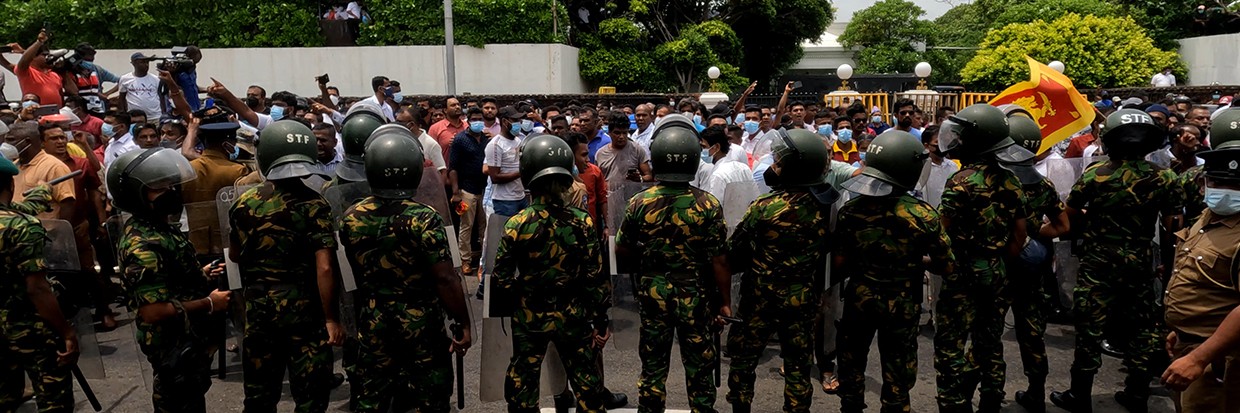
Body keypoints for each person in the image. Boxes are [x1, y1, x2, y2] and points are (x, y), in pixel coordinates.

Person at [1049, 109, 1185, 413]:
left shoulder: (1095, 176)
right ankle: (1137, 394)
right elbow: (1173, 228)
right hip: (1140, 261)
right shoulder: (1166, 178)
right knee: (1142, 329)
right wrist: (1171, 266)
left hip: (1098, 264)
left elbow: (1070, 220)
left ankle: (1079, 395)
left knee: (1090, 329)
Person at [338, 129, 471, 412]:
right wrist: (464, 323)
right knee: (430, 396)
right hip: (420, 319)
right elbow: (445, 278)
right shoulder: (425, 218)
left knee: (372, 393)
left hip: (372, 316)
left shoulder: (351, 217)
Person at [614, 114, 731, 412]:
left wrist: (643, 270)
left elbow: (623, 249)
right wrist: (725, 302)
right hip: (696, 295)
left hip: (653, 293)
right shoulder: (708, 204)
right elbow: (719, 259)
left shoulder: (639, 202)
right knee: (700, 365)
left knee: (653, 364)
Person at [834, 130, 953, 413]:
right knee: (898, 373)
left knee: (851, 364)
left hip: (859, 299)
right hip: (903, 303)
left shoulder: (850, 211)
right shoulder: (923, 215)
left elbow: (839, 264)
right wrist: (916, 261)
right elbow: (945, 265)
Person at [228, 120, 343, 411]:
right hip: (304, 310)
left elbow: (235, 256)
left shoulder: (243, 204)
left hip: (259, 309)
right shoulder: (315, 204)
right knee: (310, 395)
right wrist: (331, 318)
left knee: (259, 395)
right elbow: (325, 267)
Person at [492, 134, 611, 412]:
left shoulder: (517, 224)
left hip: (529, 314)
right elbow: (595, 278)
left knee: (523, 385)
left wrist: (521, 300)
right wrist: (601, 320)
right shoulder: (582, 222)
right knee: (586, 383)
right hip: (574, 313)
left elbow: (501, 279)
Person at [107, 147, 230, 411]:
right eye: (159, 188)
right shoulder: (143, 244)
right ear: (135, 194)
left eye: (171, 185)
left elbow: (166, 279)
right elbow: (153, 311)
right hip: (171, 343)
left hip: (185, 337)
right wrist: (209, 303)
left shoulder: (158, 227)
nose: (171, 192)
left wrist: (200, 274)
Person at [726, 128, 831, 413]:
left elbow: (735, 256)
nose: (774, 166)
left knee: (744, 360)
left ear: (792, 168)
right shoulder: (825, 208)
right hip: (802, 299)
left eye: (779, 161)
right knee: (798, 364)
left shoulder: (763, 207)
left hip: (759, 298)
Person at [934, 104, 1030, 413]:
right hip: (997, 270)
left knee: (950, 346)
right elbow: (1019, 236)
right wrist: (997, 262)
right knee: (990, 342)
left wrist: (946, 268)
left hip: (961, 274)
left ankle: (953, 404)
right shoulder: (1012, 181)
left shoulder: (960, 182)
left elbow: (941, 233)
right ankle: (991, 400)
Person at [1161, 108, 1240, 412]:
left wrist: (1199, 356)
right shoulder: (1209, 216)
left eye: (1234, 186)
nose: (1223, 193)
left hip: (1219, 361)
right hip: (1192, 345)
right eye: (1217, 183)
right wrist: (1182, 329)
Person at [1002, 113, 1071, 413]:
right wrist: (1033, 231)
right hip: (1033, 269)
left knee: (988, 334)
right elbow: (1062, 226)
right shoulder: (1042, 184)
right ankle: (1036, 393)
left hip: (999, 269)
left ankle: (989, 396)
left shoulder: (990, 183)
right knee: (1032, 336)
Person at [0, 154, 78, 412]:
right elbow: (37, 288)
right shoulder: (23, 226)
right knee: (53, 400)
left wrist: (41, 192)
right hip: (30, 329)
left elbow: (15, 211)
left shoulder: (15, 220)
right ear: (11, 185)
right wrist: (66, 331)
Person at [450, 107, 490, 279]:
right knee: (466, 226)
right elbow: (453, 167)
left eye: (479, 118)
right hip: (467, 190)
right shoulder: (460, 140)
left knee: (485, 227)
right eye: (474, 119)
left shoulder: (487, 139)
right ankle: (465, 260)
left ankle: (484, 260)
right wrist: (455, 191)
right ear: (468, 120)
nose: (477, 122)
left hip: (486, 189)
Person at [7, 123, 75, 222]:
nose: (6, 144)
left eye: (11, 140)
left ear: (27, 142)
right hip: (19, 231)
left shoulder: (55, 166)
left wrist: (58, 234)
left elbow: (67, 203)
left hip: (43, 232)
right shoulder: (14, 166)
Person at [485, 106, 528, 216]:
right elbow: (495, 177)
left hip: (521, 197)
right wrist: (521, 173)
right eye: (515, 121)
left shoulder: (518, 141)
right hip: (504, 201)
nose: (518, 123)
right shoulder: (496, 145)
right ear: (504, 121)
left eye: (519, 121)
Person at [699, 124, 753, 204]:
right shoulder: (744, 168)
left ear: (716, 147)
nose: (701, 151)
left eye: (704, 147)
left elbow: (716, 208)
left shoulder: (718, 175)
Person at [13, 30, 68, 108]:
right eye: (44, 55)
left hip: (56, 115)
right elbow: (24, 60)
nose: (47, 57)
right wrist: (39, 42)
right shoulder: (26, 72)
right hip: (35, 114)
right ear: (34, 57)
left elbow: (66, 94)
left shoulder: (54, 74)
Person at [595, 112, 652, 184]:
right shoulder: (601, 154)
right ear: (609, 133)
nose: (621, 137)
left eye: (624, 133)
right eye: (617, 133)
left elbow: (648, 176)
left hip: (632, 194)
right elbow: (598, 181)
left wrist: (639, 178)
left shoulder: (637, 150)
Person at [118, 53, 164, 122]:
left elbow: (161, 97)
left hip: (154, 117)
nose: (146, 65)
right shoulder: (125, 79)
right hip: (135, 118)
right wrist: (124, 115)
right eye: (142, 62)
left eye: (147, 62)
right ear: (133, 63)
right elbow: (121, 98)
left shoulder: (156, 79)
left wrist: (163, 113)